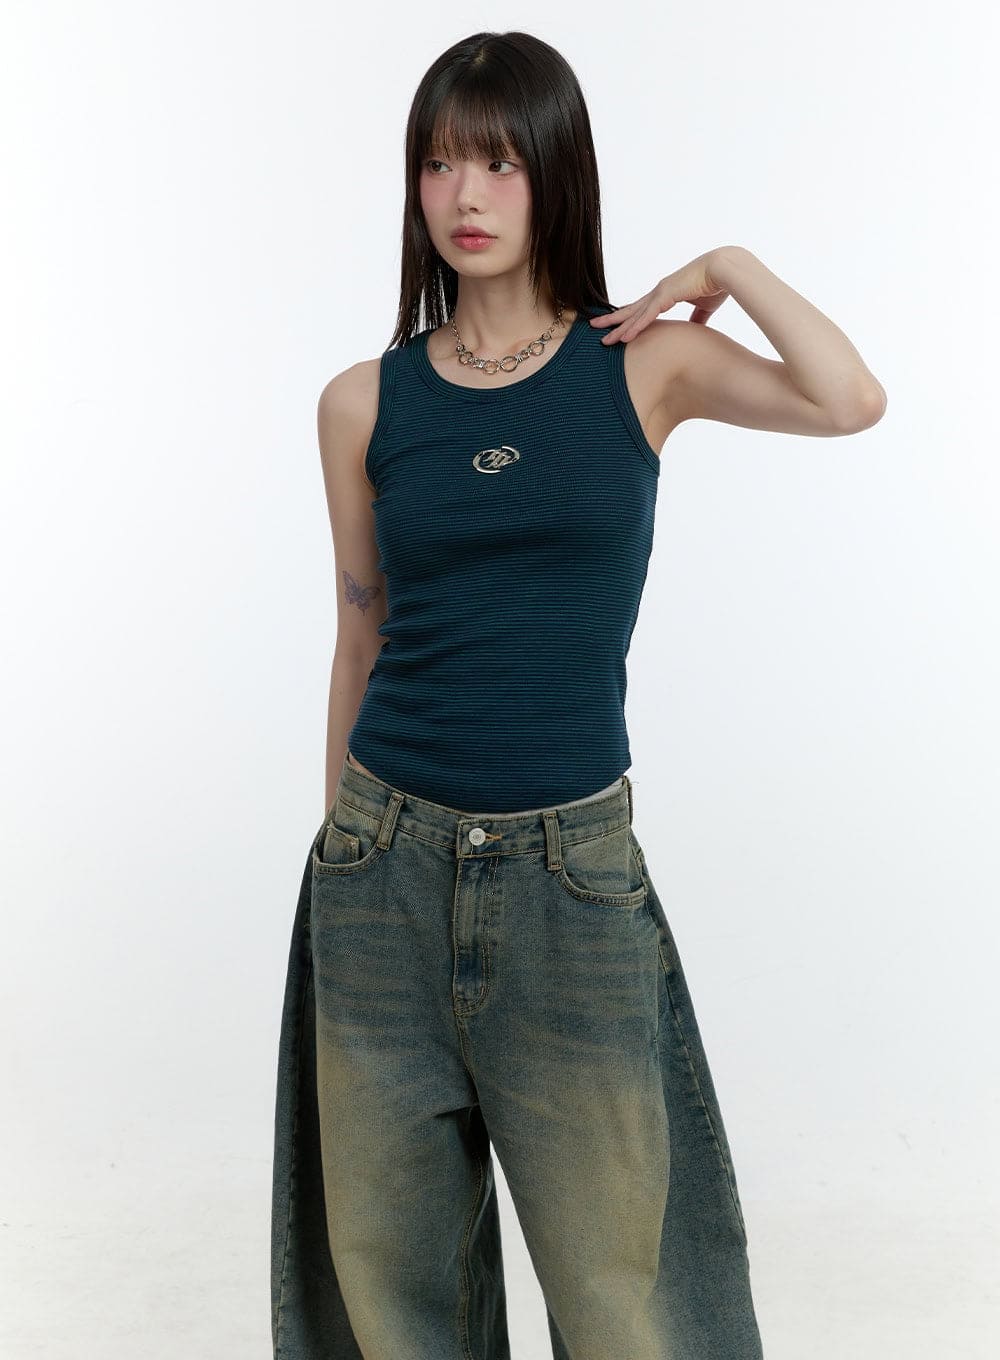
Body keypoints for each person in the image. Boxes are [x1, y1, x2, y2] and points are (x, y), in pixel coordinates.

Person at [270, 29, 886, 1360]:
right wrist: (339, 862)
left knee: (624, 1299)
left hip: (571, 875)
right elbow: (359, 632)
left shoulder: (642, 367)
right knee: (396, 1295)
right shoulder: (361, 403)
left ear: (556, 175)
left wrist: (726, 267)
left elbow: (850, 401)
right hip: (381, 866)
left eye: (500, 161)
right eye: (441, 163)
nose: (467, 195)